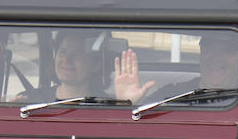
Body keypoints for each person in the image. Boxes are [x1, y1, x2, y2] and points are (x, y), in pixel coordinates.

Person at [17, 32, 152, 103]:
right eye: (62, 52)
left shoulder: (106, 106)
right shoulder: (29, 100)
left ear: (96, 65)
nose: (66, 60)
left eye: (77, 55)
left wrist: (125, 104)